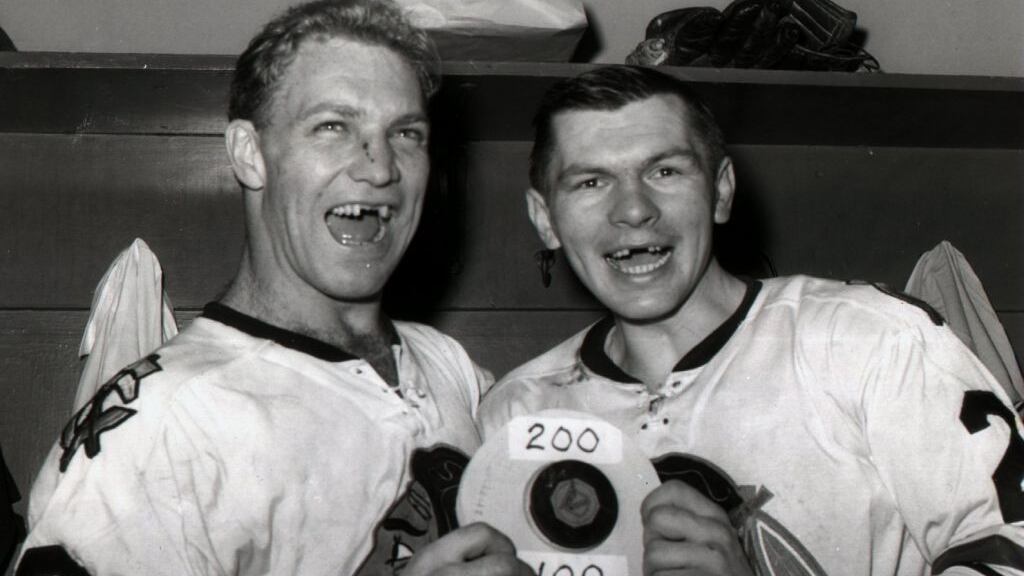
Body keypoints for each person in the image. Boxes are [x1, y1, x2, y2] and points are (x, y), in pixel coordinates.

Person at [16, 1, 531, 575]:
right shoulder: (166, 422)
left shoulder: (447, 365)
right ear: (250, 154)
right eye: (334, 127)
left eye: (406, 133)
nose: (380, 168)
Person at [477, 65, 1024, 575]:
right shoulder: (517, 413)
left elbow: (1011, 550)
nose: (634, 209)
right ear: (545, 219)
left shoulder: (865, 338)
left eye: (664, 170)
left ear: (720, 191)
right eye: (591, 183)